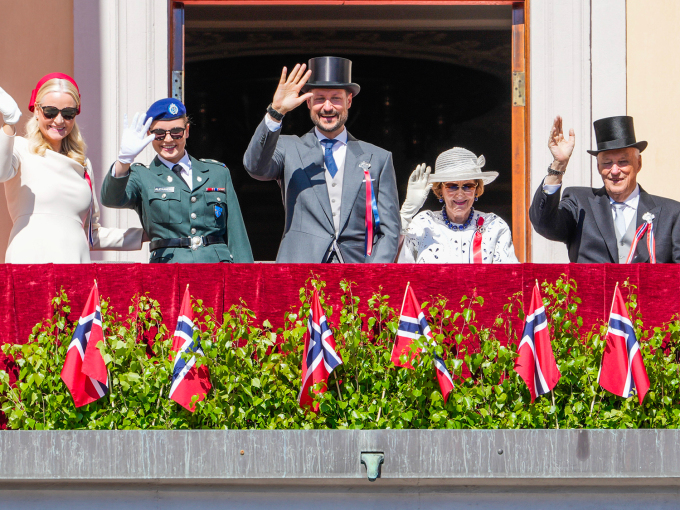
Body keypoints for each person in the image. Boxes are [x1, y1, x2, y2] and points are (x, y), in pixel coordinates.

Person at [243, 56, 400, 263]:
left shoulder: (379, 158)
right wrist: (276, 112)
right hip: (300, 271)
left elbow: (389, 230)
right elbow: (255, 167)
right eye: (319, 99)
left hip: (357, 273)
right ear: (307, 102)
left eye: (336, 98)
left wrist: (374, 273)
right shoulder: (288, 147)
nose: (327, 107)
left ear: (349, 101)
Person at [0, 73, 143, 263]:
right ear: (36, 110)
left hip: (75, 265)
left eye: (68, 113)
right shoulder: (19, 148)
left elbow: (91, 234)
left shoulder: (83, 164)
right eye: (50, 112)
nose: (59, 121)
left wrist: (149, 233)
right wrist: (9, 125)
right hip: (29, 262)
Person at [101, 98, 253, 263]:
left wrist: (245, 281)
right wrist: (124, 160)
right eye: (159, 134)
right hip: (169, 270)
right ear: (148, 135)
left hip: (216, 268)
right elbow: (111, 199)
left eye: (176, 132)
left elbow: (237, 236)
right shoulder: (141, 176)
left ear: (187, 131)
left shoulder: (217, 173)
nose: (168, 140)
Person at [530, 115, 680, 263]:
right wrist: (559, 165)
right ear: (598, 167)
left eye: (623, 162)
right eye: (607, 163)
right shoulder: (579, 203)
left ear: (638, 163)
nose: (614, 171)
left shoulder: (672, 213)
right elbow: (544, 225)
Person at [398, 147, 518, 263]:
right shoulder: (423, 224)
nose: (460, 194)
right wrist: (406, 213)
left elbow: (510, 278)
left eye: (468, 186)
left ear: (476, 189)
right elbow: (396, 267)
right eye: (451, 186)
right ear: (440, 190)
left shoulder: (494, 225)